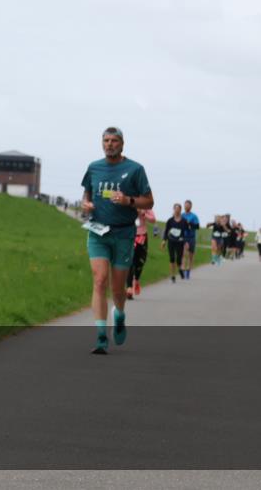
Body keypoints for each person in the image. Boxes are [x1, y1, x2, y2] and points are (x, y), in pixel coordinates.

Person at [80, 127, 154, 355]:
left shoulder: (135, 169)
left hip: (123, 234)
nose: (109, 144)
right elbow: (86, 194)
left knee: (118, 288)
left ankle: (119, 315)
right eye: (106, 140)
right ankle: (101, 336)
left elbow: (149, 201)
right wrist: (86, 204)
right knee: (100, 280)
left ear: (122, 144)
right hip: (98, 232)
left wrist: (129, 200)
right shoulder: (94, 168)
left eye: (114, 140)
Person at [126, 208, 156, 300]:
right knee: (130, 260)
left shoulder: (146, 206)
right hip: (130, 235)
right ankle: (129, 287)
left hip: (142, 235)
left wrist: (143, 214)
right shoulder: (129, 202)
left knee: (140, 261)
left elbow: (153, 219)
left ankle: (136, 280)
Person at [162, 203, 191, 282]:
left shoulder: (184, 221)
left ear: (180, 210)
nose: (177, 210)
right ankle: (173, 276)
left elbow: (187, 232)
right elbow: (166, 231)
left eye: (178, 209)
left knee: (178, 259)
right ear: (174, 209)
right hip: (171, 241)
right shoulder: (170, 221)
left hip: (180, 242)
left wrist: (186, 242)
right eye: (175, 209)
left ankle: (180, 269)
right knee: (172, 258)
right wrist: (164, 240)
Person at [182, 200, 200, 278]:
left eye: (188, 205)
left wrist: (189, 223)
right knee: (183, 254)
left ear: (191, 206)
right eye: (185, 205)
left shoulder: (194, 216)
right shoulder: (181, 215)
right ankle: (183, 270)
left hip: (191, 237)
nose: (186, 206)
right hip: (183, 237)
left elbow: (197, 226)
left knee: (190, 256)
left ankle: (188, 271)